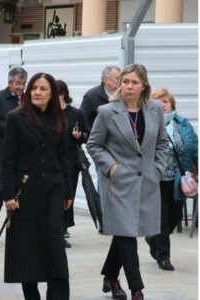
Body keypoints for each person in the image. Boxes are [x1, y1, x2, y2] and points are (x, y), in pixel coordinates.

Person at [87, 64, 169, 300]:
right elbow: (93, 145)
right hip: (118, 184)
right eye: (125, 82)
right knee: (127, 235)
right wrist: (112, 168)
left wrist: (157, 168)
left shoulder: (154, 109)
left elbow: (162, 143)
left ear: (144, 85)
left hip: (147, 182)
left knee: (126, 232)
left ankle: (110, 276)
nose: (128, 86)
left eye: (134, 82)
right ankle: (137, 289)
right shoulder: (106, 111)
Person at [3, 72, 73, 300]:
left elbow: (65, 158)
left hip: (53, 188)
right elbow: (8, 159)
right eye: (34, 88)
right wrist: (8, 194)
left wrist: (68, 191)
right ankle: (31, 295)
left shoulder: (59, 119)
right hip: (25, 192)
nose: (37, 92)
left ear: (52, 93)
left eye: (43, 88)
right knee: (27, 247)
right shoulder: (16, 118)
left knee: (54, 242)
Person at [145, 88, 198, 271]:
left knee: (174, 217)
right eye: (158, 101)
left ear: (171, 104)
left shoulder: (183, 125)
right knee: (161, 219)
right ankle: (164, 257)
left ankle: (152, 238)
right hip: (155, 179)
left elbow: (194, 147)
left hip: (177, 180)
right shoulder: (147, 123)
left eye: (165, 101)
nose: (162, 105)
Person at [0, 67, 27, 240]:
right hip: (2, 153)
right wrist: (16, 129)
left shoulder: (27, 99)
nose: (21, 87)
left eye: (24, 83)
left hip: (22, 154)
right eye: (18, 83)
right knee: (0, 189)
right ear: (10, 82)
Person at [56, 80, 90, 248]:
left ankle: (62, 229)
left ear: (62, 94)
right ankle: (56, 230)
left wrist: (79, 137)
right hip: (52, 161)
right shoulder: (47, 113)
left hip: (70, 161)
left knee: (67, 195)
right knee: (55, 195)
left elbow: (89, 135)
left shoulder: (76, 114)